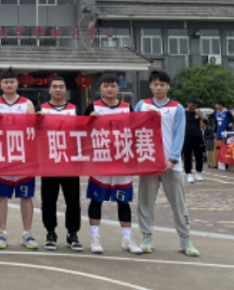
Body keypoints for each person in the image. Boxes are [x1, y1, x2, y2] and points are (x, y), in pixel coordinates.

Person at [137, 70, 200, 256]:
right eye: (155, 84)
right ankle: (146, 237)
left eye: (162, 85)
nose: (159, 88)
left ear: (168, 86)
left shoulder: (176, 108)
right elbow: (131, 128)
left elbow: (179, 134)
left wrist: (173, 158)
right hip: (148, 162)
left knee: (178, 203)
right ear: (150, 86)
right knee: (145, 201)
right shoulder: (142, 105)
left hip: (171, 164)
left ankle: (185, 239)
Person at [84, 74, 142, 255]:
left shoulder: (127, 108)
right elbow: (79, 132)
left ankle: (127, 238)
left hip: (121, 160)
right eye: (106, 85)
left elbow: (137, 130)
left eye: (113, 85)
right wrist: (88, 120)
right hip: (100, 160)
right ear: (100, 88)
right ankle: (95, 237)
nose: (109, 89)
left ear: (118, 88)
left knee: (123, 200)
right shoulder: (92, 107)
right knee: (97, 199)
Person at [0, 68, 37, 250]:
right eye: (6, 82)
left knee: (26, 196)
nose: (9, 85)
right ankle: (2, 233)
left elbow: (34, 130)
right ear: (0, 84)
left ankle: (27, 233)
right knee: (1, 196)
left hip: (22, 157)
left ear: (17, 83)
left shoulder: (27, 104)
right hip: (1, 157)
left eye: (12, 82)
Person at [36, 77, 82, 252]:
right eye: (54, 87)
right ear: (49, 90)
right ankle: (50, 232)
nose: (58, 90)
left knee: (73, 200)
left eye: (61, 87)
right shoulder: (41, 109)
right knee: (49, 200)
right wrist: (36, 121)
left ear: (66, 90)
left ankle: (72, 233)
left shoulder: (74, 109)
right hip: (49, 162)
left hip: (70, 162)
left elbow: (84, 132)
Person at [183, 98, 206, 183]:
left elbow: (206, 122)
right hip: (186, 137)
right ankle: (189, 173)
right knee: (187, 156)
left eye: (195, 106)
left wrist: (200, 117)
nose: (193, 107)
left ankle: (198, 173)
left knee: (199, 156)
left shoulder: (199, 112)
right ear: (188, 103)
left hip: (198, 137)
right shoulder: (183, 112)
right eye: (192, 105)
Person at [209, 100, 234, 169]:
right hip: (219, 133)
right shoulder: (216, 113)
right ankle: (218, 164)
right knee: (218, 148)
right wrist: (215, 132)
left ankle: (227, 164)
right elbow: (216, 123)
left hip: (227, 134)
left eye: (216, 104)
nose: (215, 106)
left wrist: (227, 128)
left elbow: (232, 122)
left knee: (227, 149)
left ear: (221, 105)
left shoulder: (227, 112)